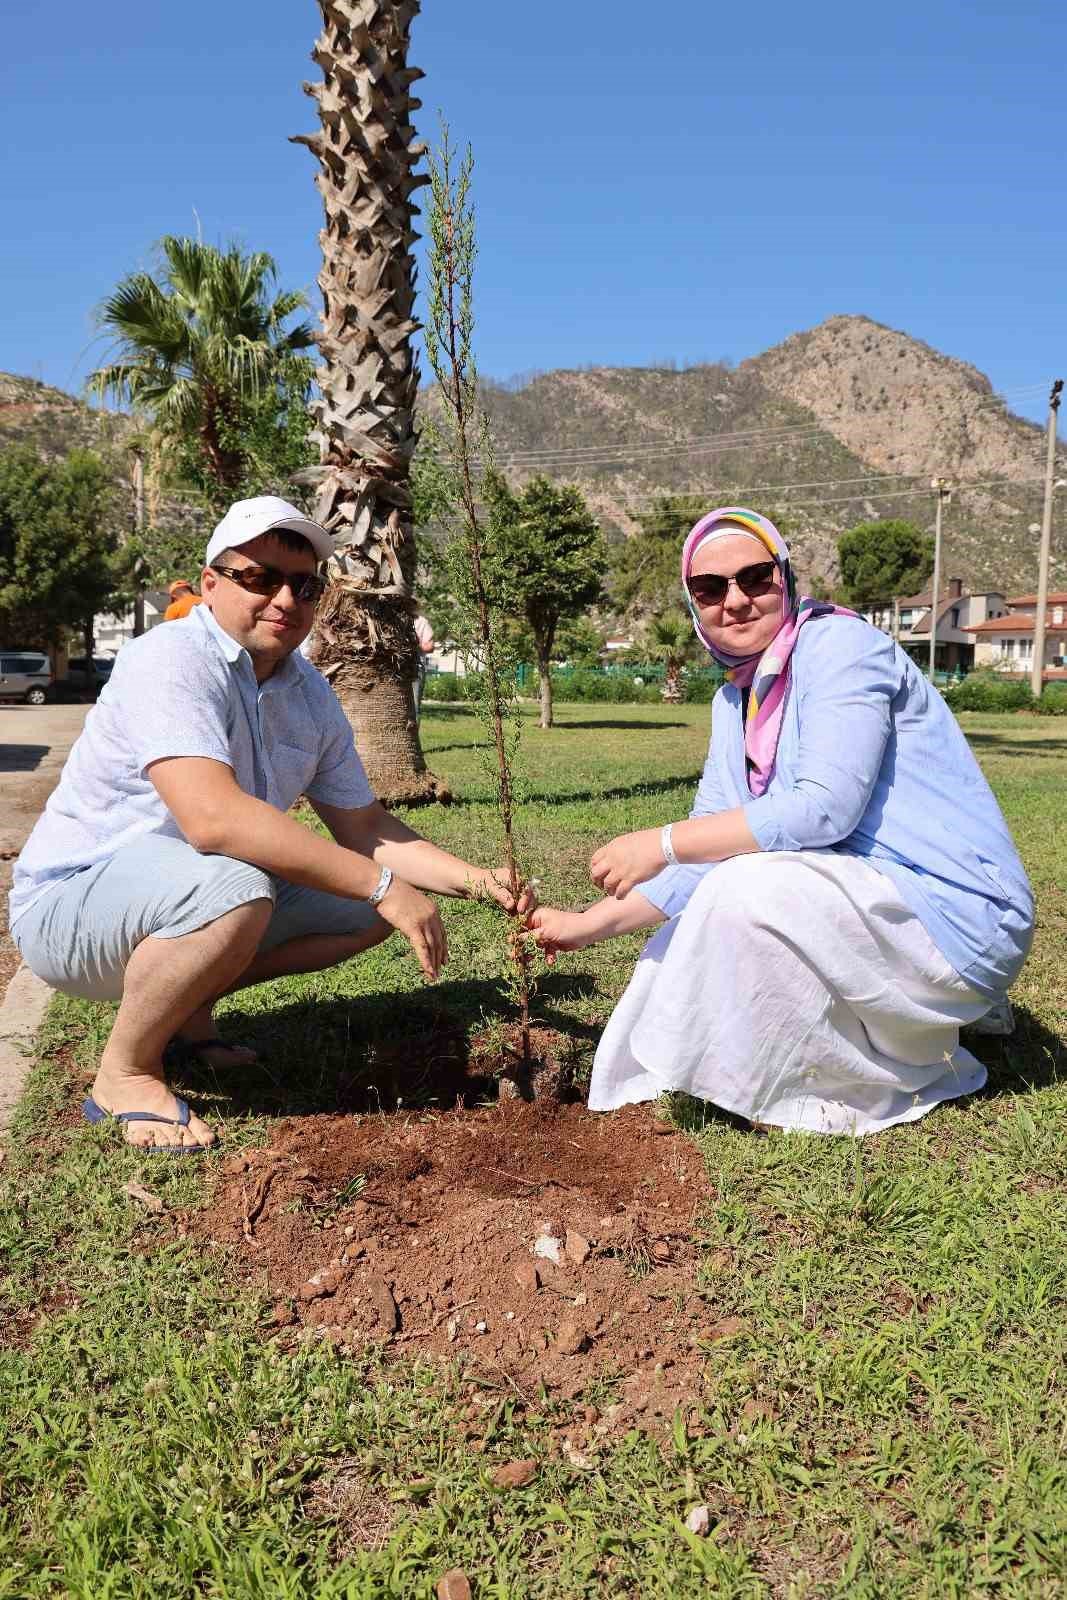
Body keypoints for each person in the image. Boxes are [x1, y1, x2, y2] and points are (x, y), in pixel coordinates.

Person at [10, 495, 528, 1155]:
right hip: (71, 906)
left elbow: (364, 824)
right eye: (259, 577)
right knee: (240, 888)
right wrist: (381, 883)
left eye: (304, 584)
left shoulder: (309, 693)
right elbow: (212, 819)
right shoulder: (171, 660)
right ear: (211, 584)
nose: (285, 597)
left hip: (186, 892)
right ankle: (126, 1073)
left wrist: (478, 882)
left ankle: (186, 1010)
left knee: (363, 909)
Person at [531, 507, 1034, 1136]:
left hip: (961, 914)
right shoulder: (735, 698)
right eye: (710, 589)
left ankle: (825, 1087)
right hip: (882, 908)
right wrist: (584, 926)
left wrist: (662, 842)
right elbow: (709, 852)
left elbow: (824, 807)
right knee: (727, 884)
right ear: (694, 604)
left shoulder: (841, 647)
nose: (735, 601)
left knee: (748, 890)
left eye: (754, 578)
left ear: (785, 578)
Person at [413, 613, 435, 720]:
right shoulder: (390, 617)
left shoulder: (421, 621)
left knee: (414, 706)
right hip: (392, 668)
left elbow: (430, 647)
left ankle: (413, 735)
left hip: (415, 668)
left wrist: (416, 642)